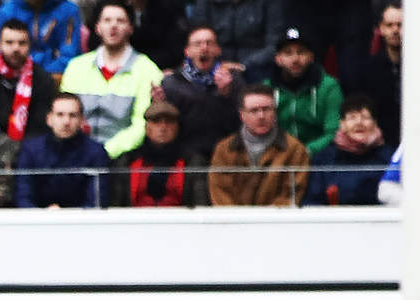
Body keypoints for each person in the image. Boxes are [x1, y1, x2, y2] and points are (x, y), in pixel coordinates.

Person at [60, 1, 163, 159]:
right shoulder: (76, 67)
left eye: (120, 21)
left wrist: (104, 152)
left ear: (130, 28)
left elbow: (142, 126)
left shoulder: (147, 70)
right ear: (97, 27)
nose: (113, 26)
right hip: (75, 153)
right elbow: (64, 114)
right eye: (107, 20)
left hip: (123, 158)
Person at [208, 84, 308, 207]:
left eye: (266, 109)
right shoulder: (224, 149)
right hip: (234, 223)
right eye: (254, 111)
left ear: (274, 112)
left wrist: (264, 219)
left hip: (276, 222)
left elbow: (292, 194)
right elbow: (220, 193)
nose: (261, 116)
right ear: (242, 115)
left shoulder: (294, 149)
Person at [157, 23, 242, 160]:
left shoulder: (234, 80)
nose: (204, 48)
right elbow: (166, 125)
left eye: (209, 43)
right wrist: (158, 103)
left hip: (226, 153)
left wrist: (226, 95)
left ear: (218, 49)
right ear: (187, 51)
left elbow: (239, 124)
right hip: (185, 156)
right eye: (197, 44)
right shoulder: (172, 83)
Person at [190, 0, 286, 79]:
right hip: (215, 70)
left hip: (258, 71)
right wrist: (218, 66)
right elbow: (198, 38)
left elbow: (275, 44)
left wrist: (244, 66)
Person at [14, 93, 110, 209]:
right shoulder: (30, 150)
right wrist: (42, 216)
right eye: (60, 115)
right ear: (49, 119)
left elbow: (97, 201)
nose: (66, 122)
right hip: (37, 221)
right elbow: (22, 197)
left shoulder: (96, 152)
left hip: (81, 222)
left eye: (72, 115)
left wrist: (67, 217)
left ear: (81, 120)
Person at [0, 19, 55, 144]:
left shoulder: (42, 80)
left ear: (29, 46)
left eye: (22, 43)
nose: (16, 48)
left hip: (27, 149)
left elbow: (41, 127)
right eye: (9, 42)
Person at [111, 98, 209, 207]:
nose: (163, 127)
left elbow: (201, 205)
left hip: (180, 222)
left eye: (169, 122)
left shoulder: (193, 161)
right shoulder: (127, 161)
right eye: (156, 121)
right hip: (136, 222)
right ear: (147, 128)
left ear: (177, 127)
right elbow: (117, 205)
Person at [0, 0, 82, 78]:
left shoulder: (68, 11)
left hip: (55, 76)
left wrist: (39, 76)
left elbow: (69, 55)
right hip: (17, 75)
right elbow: (3, 52)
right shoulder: (8, 10)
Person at [94, 0, 187, 70]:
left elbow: (175, 50)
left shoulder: (170, 5)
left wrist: (140, 67)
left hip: (158, 68)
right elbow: (95, 43)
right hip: (112, 67)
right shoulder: (107, 6)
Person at [303, 94, 392, 207]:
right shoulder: (324, 159)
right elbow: (312, 203)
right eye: (352, 117)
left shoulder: (390, 158)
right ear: (342, 124)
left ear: (375, 123)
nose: (359, 122)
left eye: (365, 117)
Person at [264, 28, 343, 156]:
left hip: (319, 155)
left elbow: (334, 131)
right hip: (278, 155)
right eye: (288, 53)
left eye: (301, 52)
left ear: (311, 57)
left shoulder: (329, 86)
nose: (295, 59)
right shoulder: (267, 88)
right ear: (278, 59)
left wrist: (306, 151)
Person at [351, 2, 401, 148]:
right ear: (380, 28)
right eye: (389, 25)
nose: (395, 30)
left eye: (400, 25)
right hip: (379, 146)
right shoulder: (367, 70)